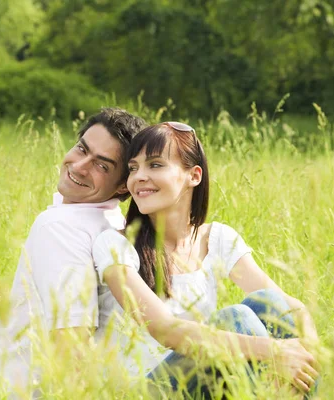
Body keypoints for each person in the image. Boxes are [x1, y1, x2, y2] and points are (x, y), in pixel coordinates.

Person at [0, 108, 148, 397]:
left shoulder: (60, 228)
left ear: (124, 185)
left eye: (102, 166)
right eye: (82, 149)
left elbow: (71, 350)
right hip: (12, 352)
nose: (79, 166)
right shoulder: (114, 224)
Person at [92, 122, 320, 398]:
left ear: (194, 175)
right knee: (237, 318)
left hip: (203, 385)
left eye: (154, 165)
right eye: (133, 168)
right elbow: (165, 330)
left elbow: (293, 309)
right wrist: (275, 352)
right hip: (146, 390)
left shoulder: (217, 239)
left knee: (269, 305)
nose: (139, 176)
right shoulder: (115, 244)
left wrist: (302, 352)